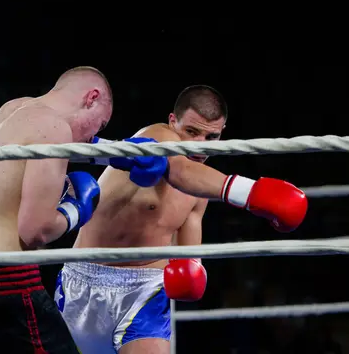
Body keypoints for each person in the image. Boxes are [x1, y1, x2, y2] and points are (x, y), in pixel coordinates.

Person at [0, 66, 167, 354]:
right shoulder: (56, 128)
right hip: (2, 289)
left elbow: (69, 144)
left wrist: (118, 152)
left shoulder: (13, 110)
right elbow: (35, 230)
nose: (93, 134)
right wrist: (75, 210)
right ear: (91, 98)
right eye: (100, 125)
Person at [55, 85, 308, 354]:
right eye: (191, 132)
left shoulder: (202, 190)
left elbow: (188, 254)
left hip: (145, 292)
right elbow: (180, 170)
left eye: (212, 137)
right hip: (84, 280)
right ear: (172, 121)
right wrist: (253, 193)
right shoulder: (153, 137)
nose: (198, 146)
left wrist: (192, 270)